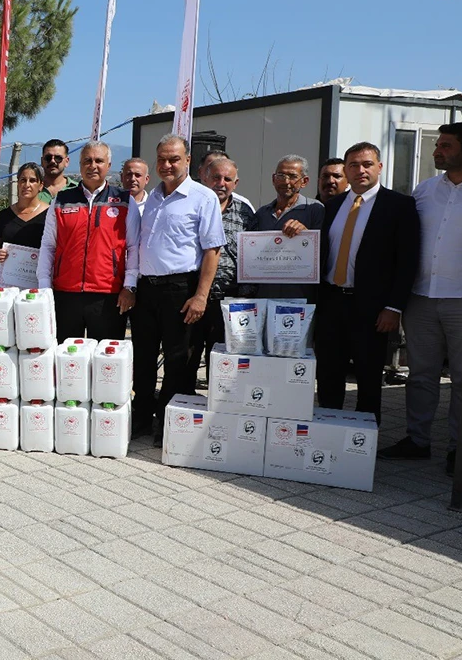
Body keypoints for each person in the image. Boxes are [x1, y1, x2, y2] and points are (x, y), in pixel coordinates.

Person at [380, 122, 462, 477]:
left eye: (445, 145)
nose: (436, 151)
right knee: (421, 374)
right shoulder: (425, 190)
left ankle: (461, 450)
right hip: (423, 298)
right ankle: (417, 440)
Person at [122, 134, 226, 445]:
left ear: (188, 161)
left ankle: (167, 424)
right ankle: (140, 419)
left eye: (174, 159)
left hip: (181, 289)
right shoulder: (152, 196)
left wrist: (201, 296)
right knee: (143, 356)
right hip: (147, 289)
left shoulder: (202, 197)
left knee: (178, 360)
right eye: (163, 159)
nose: (168, 165)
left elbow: (213, 251)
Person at [315, 142, 420, 425]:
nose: (360, 170)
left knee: (368, 376)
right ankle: (328, 430)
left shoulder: (399, 206)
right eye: (353, 165)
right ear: (346, 170)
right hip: (332, 302)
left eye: (367, 164)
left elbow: (407, 261)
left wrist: (394, 307)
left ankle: (364, 441)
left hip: (372, 308)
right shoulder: (333, 205)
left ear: (379, 167)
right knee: (328, 374)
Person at [37, 142, 130, 340]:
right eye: (87, 160)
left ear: (109, 165)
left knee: (106, 362)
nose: (92, 165)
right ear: (79, 165)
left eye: (99, 161)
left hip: (108, 295)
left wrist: (129, 286)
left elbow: (133, 246)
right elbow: (48, 246)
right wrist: (45, 287)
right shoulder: (62, 199)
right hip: (66, 294)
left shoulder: (124, 200)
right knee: (67, 360)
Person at [188, 158, 252, 383]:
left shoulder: (246, 213)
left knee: (223, 365)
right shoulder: (190, 205)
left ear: (236, 183)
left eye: (227, 179)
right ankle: (183, 407)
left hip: (229, 300)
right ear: (204, 177)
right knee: (187, 358)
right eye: (216, 177)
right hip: (192, 296)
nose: (221, 183)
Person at [248, 155, 325, 301]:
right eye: (281, 175)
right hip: (265, 295)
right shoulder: (262, 213)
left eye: (293, 176)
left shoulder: (315, 209)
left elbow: (324, 252)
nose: (286, 181)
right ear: (273, 179)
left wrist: (306, 235)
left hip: (299, 297)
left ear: (304, 181)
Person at [0, 163, 50, 265]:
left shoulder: (51, 216)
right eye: (23, 180)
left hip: (40, 277)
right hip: (8, 277)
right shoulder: (4, 216)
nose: (27, 185)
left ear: (41, 186)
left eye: (32, 180)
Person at [38, 139, 70, 204]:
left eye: (58, 158)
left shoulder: (79, 189)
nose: (52, 161)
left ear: (67, 161)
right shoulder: (33, 189)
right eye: (48, 158)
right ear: (42, 161)